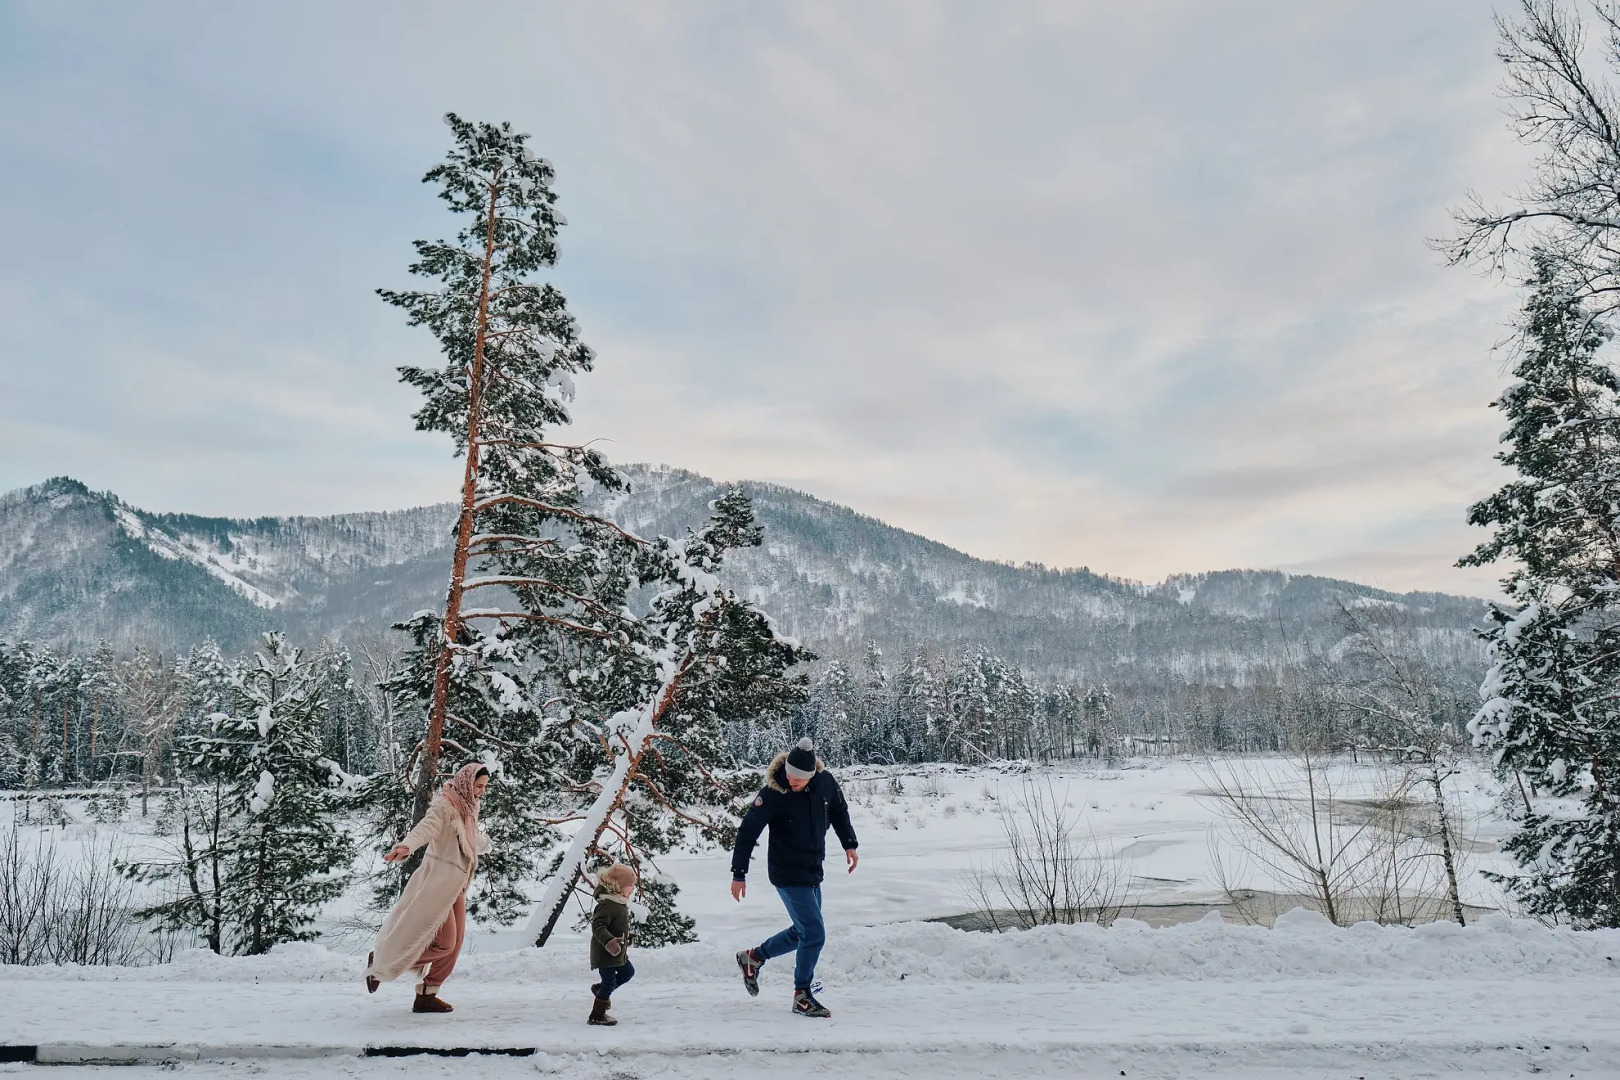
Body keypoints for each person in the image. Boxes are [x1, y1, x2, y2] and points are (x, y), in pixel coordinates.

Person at [730, 737, 858, 1018]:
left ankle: (753, 958)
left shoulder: (824, 783)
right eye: (789, 774)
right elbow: (748, 831)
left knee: (803, 931)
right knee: (814, 934)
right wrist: (739, 873)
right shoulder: (774, 792)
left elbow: (838, 810)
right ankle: (802, 995)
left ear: (811, 775)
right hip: (786, 872)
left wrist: (849, 843)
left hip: (812, 870)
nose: (792, 780)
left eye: (799, 778)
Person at [364, 763, 491, 1014]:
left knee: (454, 947)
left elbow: (470, 838)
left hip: (456, 886)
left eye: (484, 787)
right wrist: (407, 846)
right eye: (478, 786)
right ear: (466, 783)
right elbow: (425, 829)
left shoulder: (469, 806)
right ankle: (381, 965)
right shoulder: (444, 806)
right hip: (438, 884)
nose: (481, 792)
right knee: (445, 943)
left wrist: (486, 842)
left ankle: (427, 995)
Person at [588, 863, 638, 1026]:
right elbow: (598, 926)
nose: (632, 889)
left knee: (628, 972)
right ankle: (597, 1015)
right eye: (630, 886)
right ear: (619, 886)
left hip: (617, 951)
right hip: (605, 951)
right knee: (609, 982)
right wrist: (609, 941)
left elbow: (614, 926)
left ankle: (600, 990)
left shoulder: (619, 903)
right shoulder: (607, 904)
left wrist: (625, 937)